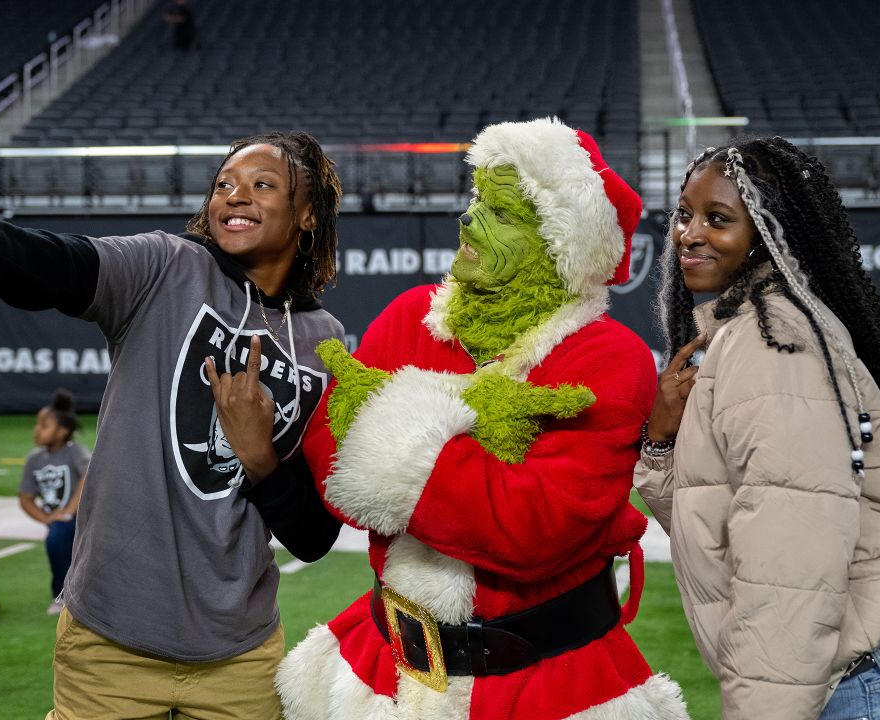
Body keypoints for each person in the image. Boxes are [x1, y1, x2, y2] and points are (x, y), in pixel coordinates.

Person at [0, 87, 345, 720]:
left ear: (308, 215)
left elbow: (312, 536)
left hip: (241, 658)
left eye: (263, 184)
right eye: (224, 183)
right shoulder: (166, 270)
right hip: (108, 648)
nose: (235, 195)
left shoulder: (324, 343)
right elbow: (22, 258)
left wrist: (261, 459)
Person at [278, 119, 688, 718]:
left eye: (501, 213)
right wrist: (473, 455)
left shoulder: (610, 357)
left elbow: (532, 527)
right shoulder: (409, 314)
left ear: (559, 247)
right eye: (476, 200)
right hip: (385, 665)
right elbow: (327, 453)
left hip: (545, 682)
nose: (470, 220)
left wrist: (396, 440)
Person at [633, 137, 880, 719]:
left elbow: (789, 574)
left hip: (854, 688)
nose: (689, 233)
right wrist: (660, 444)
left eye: (718, 219)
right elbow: (718, 528)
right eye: (684, 214)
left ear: (765, 231)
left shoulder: (771, 342)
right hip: (862, 677)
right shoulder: (750, 330)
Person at [19, 389, 91, 616]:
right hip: (59, 522)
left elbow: (88, 476)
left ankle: (83, 596)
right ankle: (62, 596)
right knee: (58, 543)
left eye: (44, 425)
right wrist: (48, 518)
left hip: (84, 517)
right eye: (37, 424)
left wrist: (69, 512)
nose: (37, 430)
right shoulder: (34, 459)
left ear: (63, 431)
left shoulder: (75, 452)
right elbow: (25, 498)